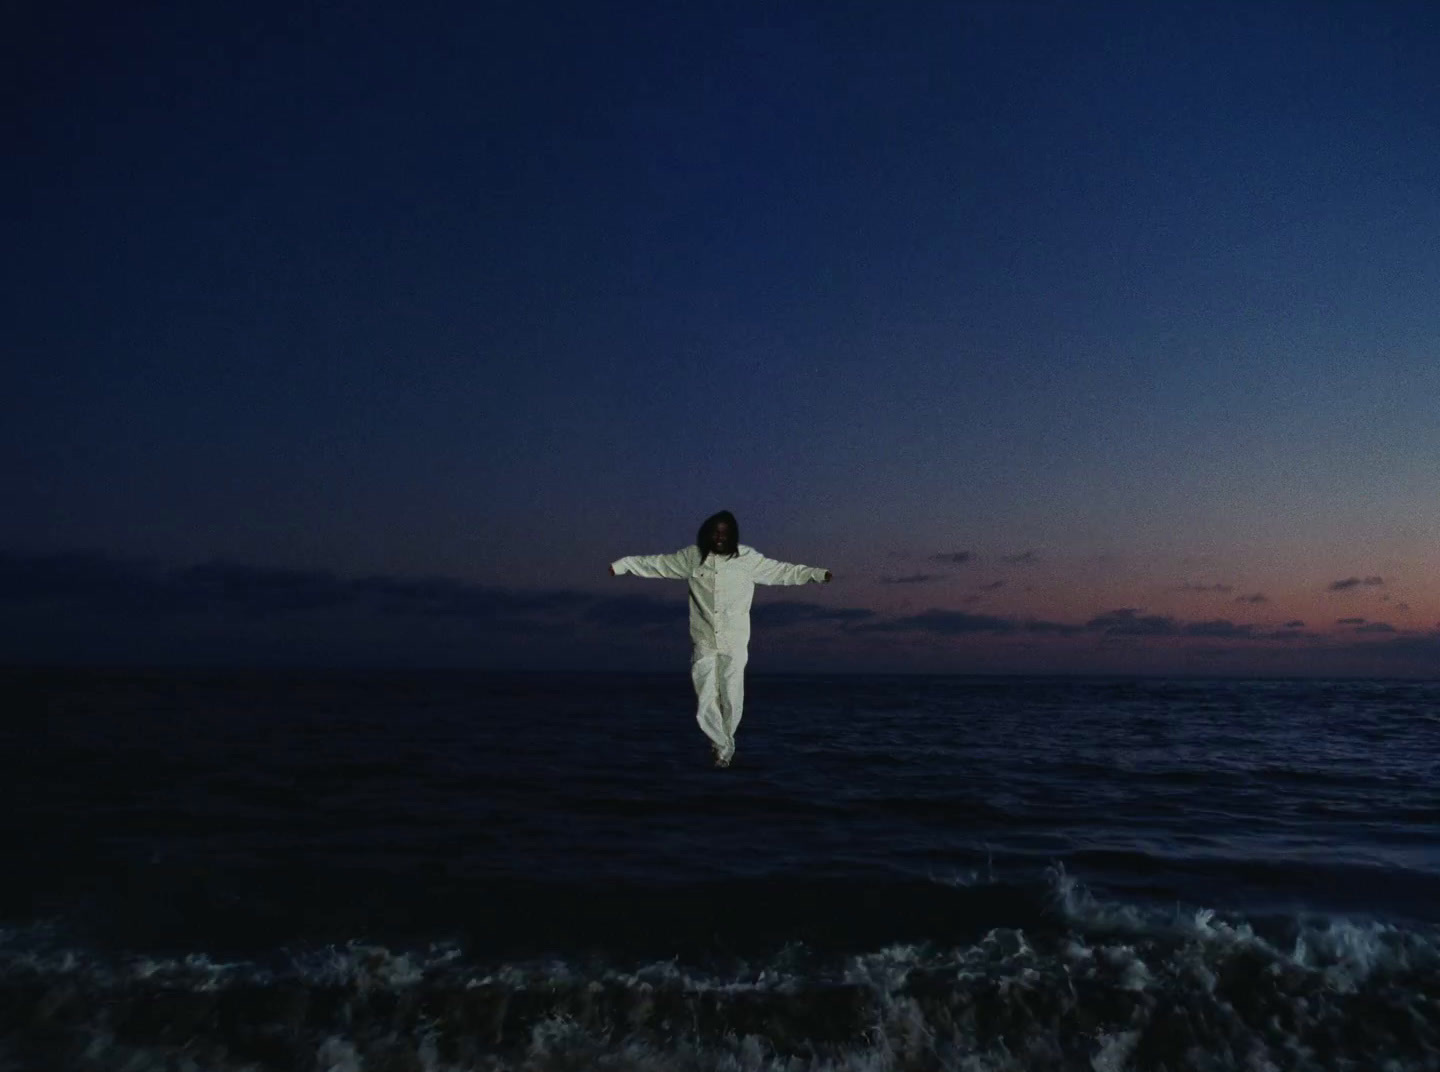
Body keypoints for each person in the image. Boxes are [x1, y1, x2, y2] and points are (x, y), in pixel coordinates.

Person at [609, 510, 832, 767]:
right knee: (705, 697)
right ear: (707, 533)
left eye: (725, 532)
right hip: (703, 639)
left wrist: (817, 573)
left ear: (733, 535)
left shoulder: (748, 559)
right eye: (715, 531)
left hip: (734, 641)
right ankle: (723, 745)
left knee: (731, 695)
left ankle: (723, 747)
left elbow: (783, 571)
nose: (719, 537)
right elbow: (656, 564)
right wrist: (622, 565)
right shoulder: (692, 558)